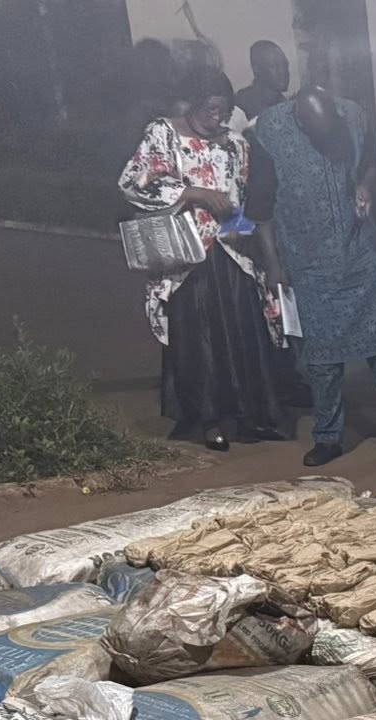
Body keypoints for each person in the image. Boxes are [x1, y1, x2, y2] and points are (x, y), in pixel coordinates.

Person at [119, 65, 285, 452]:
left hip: (230, 254)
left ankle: (248, 416)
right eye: (210, 110)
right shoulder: (162, 133)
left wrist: (238, 228)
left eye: (223, 112)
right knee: (200, 338)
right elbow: (133, 183)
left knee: (245, 333)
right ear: (192, 103)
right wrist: (192, 193)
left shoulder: (235, 144)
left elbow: (239, 198)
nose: (218, 118)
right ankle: (207, 419)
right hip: (186, 257)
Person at [251, 86, 376, 466]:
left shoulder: (353, 116)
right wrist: (274, 264)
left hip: (360, 253)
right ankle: (327, 437)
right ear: (300, 121)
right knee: (321, 362)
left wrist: (365, 185)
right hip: (308, 265)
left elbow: (374, 162)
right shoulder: (269, 132)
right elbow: (260, 206)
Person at [235, 40, 291, 126]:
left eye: (285, 65)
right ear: (257, 70)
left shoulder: (287, 105)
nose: (282, 71)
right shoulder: (241, 105)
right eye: (274, 66)